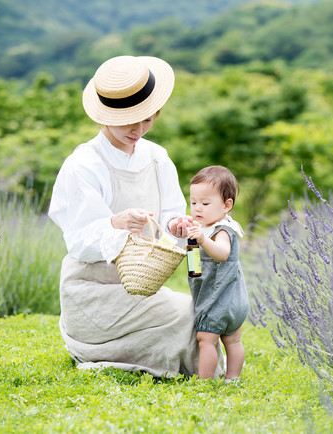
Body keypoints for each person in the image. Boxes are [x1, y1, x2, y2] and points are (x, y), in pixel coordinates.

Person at [48, 55, 224, 378]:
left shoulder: (157, 158)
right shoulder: (84, 164)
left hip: (144, 290)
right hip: (94, 294)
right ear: (106, 115)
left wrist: (176, 225)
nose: (138, 129)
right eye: (129, 120)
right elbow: (79, 241)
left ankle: (189, 365)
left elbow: (171, 217)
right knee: (187, 316)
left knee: (199, 313)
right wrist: (116, 223)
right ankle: (98, 348)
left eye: (147, 119)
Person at [186, 166, 250, 382]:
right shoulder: (203, 227)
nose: (197, 208)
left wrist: (203, 240)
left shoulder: (222, 229)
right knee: (232, 340)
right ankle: (232, 379)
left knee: (206, 338)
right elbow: (193, 259)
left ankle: (205, 383)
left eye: (205, 203)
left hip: (220, 297)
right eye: (193, 202)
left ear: (226, 205)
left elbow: (222, 254)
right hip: (233, 297)